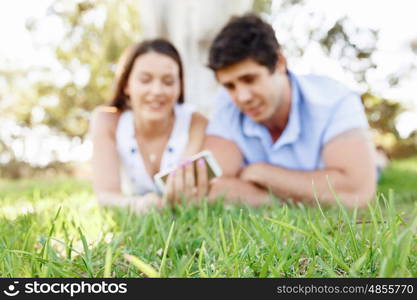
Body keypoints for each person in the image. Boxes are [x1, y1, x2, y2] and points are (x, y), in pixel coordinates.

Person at [199, 14, 376, 208]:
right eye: (230, 86)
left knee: (374, 167)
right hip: (316, 180)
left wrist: (261, 173)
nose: (242, 97)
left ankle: (380, 159)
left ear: (280, 63)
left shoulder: (336, 99)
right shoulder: (226, 103)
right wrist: (291, 199)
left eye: (249, 79)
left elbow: (357, 193)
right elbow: (212, 186)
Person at [90, 39, 208, 214]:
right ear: (126, 85)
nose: (157, 91)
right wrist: (139, 205)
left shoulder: (195, 122)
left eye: (168, 82)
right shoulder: (107, 121)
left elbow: (190, 186)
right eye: (145, 80)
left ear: (179, 87)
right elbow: (106, 196)